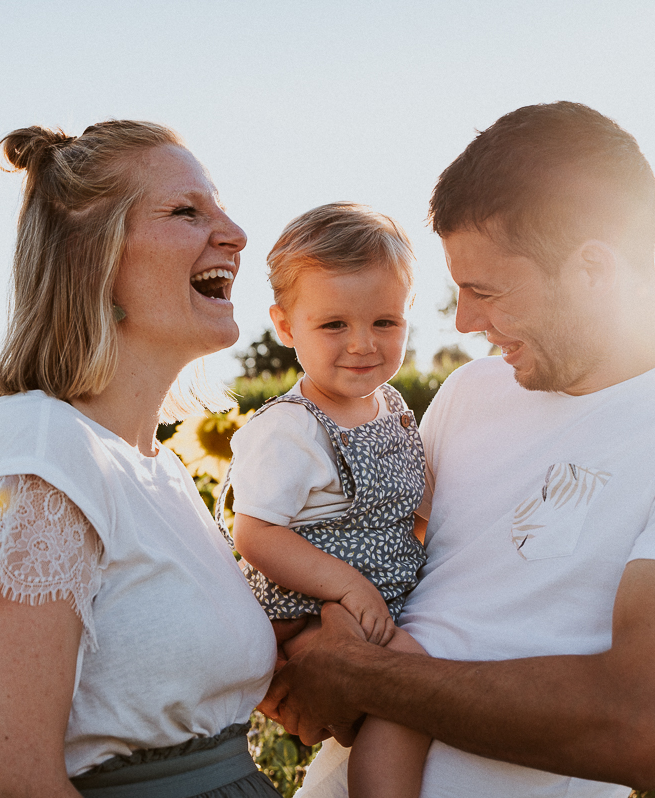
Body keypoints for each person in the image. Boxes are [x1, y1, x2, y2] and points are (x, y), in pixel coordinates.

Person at [263, 101, 655, 798]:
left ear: (593, 269)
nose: (468, 322)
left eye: (486, 291)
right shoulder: (473, 391)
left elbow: (635, 724)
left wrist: (353, 673)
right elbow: (386, 556)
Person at [0, 120, 282, 797]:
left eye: (218, 206)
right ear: (93, 257)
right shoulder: (42, 453)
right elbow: (8, 785)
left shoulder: (156, 467)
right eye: (186, 211)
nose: (234, 233)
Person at [218, 203, 431, 798]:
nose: (362, 345)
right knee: (408, 695)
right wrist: (345, 588)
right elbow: (256, 535)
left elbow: (406, 507)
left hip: (371, 595)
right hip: (300, 603)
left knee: (406, 699)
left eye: (385, 323)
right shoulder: (291, 428)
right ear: (286, 327)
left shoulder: (393, 411)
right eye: (333, 325)